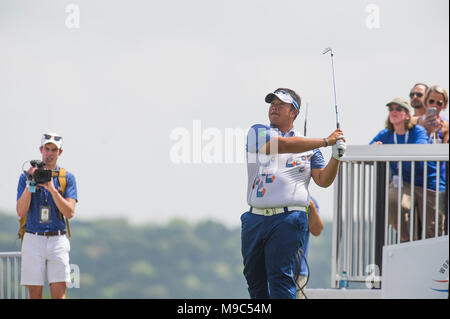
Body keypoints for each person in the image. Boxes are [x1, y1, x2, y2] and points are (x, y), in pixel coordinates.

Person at [241, 88, 346, 299]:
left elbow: (323, 180)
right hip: (255, 218)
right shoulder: (258, 132)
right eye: (272, 103)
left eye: (281, 104)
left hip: (288, 219)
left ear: (294, 112)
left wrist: (335, 156)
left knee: (281, 278)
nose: (274, 107)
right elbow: (283, 145)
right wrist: (326, 141)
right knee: (254, 281)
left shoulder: (310, 149)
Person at [369, 98, 445, 241]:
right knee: (392, 199)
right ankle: (404, 238)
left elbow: (419, 149)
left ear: (407, 115)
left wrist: (388, 151)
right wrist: (376, 148)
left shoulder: (418, 130)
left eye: (398, 109)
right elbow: (369, 149)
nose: (394, 112)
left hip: (427, 184)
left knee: (433, 232)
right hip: (405, 184)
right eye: (391, 109)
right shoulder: (386, 134)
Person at [16, 133, 78, 299]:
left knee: (59, 295)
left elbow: (69, 212)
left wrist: (51, 187)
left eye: (54, 150)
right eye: (47, 149)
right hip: (33, 237)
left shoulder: (67, 178)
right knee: (35, 296)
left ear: (60, 153)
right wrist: (31, 183)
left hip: (57, 238)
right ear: (41, 150)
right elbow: (20, 211)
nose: (49, 154)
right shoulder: (26, 177)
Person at [295, 196, 323, 299]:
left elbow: (317, 230)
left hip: (299, 270)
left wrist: (312, 206)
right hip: (277, 269)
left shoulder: (310, 201)